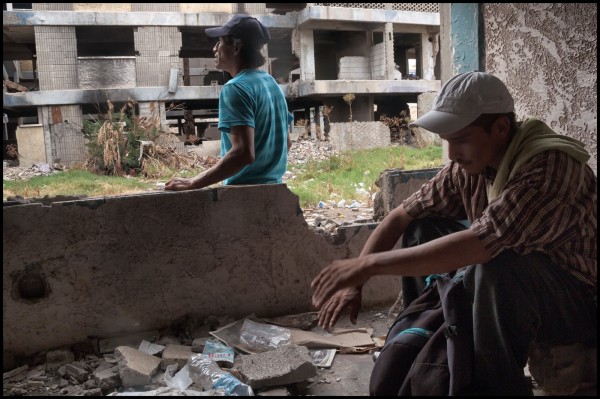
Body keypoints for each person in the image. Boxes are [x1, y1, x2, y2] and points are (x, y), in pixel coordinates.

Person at [311, 71, 597, 395]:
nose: (451, 153)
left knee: (496, 270)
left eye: (460, 139)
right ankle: (431, 338)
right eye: (447, 140)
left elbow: (482, 244)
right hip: (524, 277)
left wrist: (370, 265)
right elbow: (400, 217)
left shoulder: (548, 168)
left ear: (501, 128)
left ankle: (494, 385)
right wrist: (356, 283)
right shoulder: (471, 165)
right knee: (423, 227)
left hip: (579, 301)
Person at [166, 15, 293, 191]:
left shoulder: (235, 88)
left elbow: (243, 154)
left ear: (236, 47)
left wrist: (194, 182)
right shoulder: (272, 84)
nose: (214, 49)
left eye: (219, 42)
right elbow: (287, 142)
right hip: (276, 190)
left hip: (244, 196)